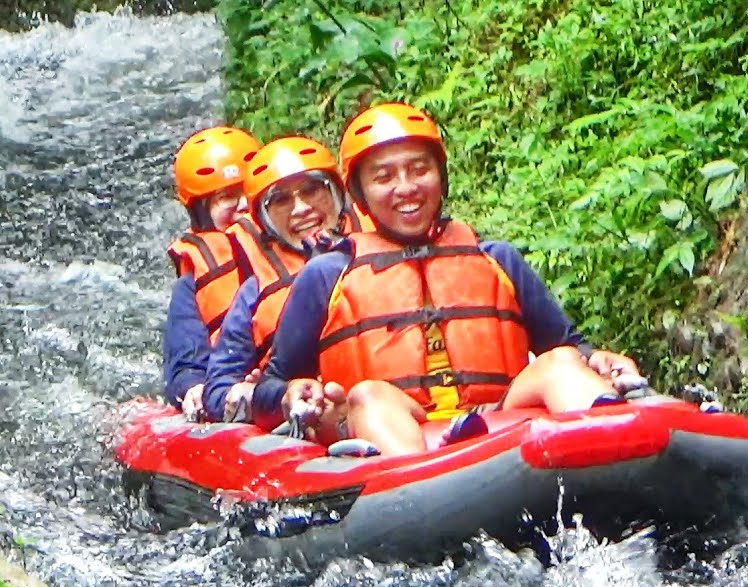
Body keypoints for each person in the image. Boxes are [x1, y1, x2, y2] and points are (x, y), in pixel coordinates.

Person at [252, 103, 644, 456]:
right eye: (384, 177)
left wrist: (597, 358)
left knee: (561, 362)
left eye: (419, 170)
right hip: (390, 425)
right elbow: (271, 385)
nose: (406, 188)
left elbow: (568, 344)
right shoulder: (327, 274)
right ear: (359, 193)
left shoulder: (496, 258)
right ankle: (422, 484)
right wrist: (290, 393)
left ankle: (620, 453)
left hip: (496, 415)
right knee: (369, 395)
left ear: (440, 176)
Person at [203, 136, 373, 423]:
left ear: (336, 194)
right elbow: (219, 389)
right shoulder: (255, 291)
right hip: (314, 421)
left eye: (312, 190)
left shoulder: (386, 246)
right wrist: (269, 395)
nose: (301, 208)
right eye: (281, 200)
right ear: (265, 219)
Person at [162, 126, 260, 417]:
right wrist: (193, 387)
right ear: (202, 211)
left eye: (249, 190)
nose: (243, 204)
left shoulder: (298, 242)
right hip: (235, 383)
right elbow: (187, 361)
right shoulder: (192, 284)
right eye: (227, 196)